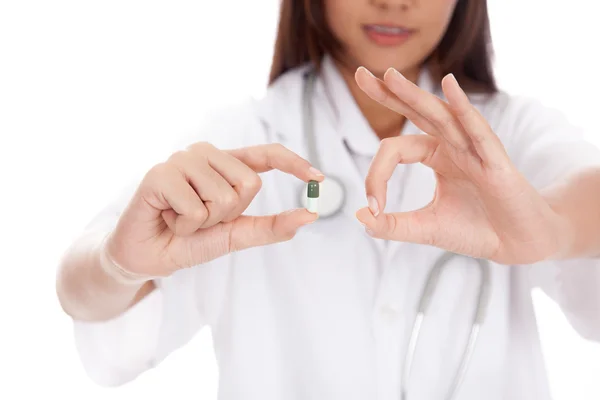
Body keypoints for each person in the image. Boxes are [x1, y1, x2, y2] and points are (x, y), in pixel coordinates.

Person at [56, 0, 600, 399]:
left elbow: (586, 186)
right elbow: (89, 302)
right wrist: (117, 264)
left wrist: (552, 227)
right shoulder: (243, 137)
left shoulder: (511, 130)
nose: (394, 2)